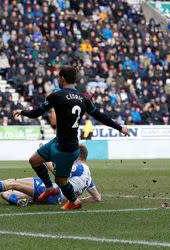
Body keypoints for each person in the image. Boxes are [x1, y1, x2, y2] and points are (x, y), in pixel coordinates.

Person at [13, 65, 129, 209]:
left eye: (58, 78)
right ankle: (50, 189)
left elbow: (36, 113)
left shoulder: (56, 96)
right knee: (34, 160)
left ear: (62, 78)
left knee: (62, 182)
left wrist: (22, 112)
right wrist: (120, 127)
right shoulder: (83, 99)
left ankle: (74, 202)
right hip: (60, 142)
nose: (57, 80)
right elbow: (101, 117)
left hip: (66, 149)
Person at [0, 144, 101, 206]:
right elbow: (97, 198)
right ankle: (19, 201)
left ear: (77, 156)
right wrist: (74, 200)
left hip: (52, 191)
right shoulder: (88, 177)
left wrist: (43, 157)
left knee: (12, 183)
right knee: (7, 193)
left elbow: (56, 172)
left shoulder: (78, 166)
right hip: (55, 197)